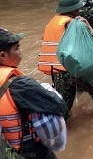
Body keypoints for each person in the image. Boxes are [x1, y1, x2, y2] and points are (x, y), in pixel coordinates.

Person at [1, 28, 69, 159]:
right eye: (16, 48)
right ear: (3, 55)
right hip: (28, 151)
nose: (20, 51)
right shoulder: (20, 85)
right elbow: (59, 106)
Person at [38, 0, 93, 114]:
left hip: (56, 71)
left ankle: (65, 127)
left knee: (64, 104)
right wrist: (87, 24)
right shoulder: (74, 23)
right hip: (73, 68)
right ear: (74, 9)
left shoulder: (52, 22)